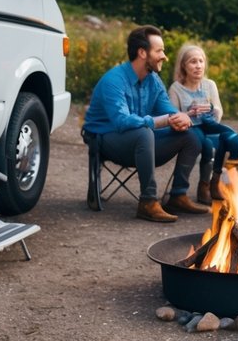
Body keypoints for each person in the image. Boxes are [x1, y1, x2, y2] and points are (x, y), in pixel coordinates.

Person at [83, 26, 209, 223]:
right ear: (142, 53)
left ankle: (177, 196)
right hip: (107, 141)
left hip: (142, 142)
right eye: (159, 51)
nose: (164, 56)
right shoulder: (114, 80)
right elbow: (121, 121)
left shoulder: (153, 79)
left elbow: (167, 108)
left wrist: (180, 117)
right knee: (144, 132)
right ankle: (148, 202)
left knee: (191, 136)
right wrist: (159, 121)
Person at [168, 44, 238, 204]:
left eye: (201, 61)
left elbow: (218, 112)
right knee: (208, 144)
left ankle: (215, 182)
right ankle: (203, 186)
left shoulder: (209, 84)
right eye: (193, 62)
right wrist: (189, 113)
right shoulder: (176, 88)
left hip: (209, 125)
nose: (198, 66)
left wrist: (211, 109)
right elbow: (172, 117)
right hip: (189, 129)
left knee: (235, 140)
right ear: (184, 65)